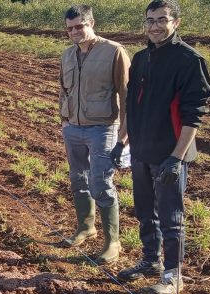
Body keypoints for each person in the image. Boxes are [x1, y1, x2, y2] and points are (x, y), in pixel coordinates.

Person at [115, 0, 210, 294]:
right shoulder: (142, 58)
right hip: (142, 150)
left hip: (170, 154)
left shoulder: (189, 60)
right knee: (145, 211)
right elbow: (132, 103)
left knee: (171, 217)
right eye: (150, 20)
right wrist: (123, 141)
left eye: (162, 20)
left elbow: (194, 113)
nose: (155, 26)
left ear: (176, 23)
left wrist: (176, 158)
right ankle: (149, 260)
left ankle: (173, 275)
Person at [58, 4, 130, 264]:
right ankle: (86, 227)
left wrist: (124, 134)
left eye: (80, 26)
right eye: (70, 28)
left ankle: (113, 242)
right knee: (78, 178)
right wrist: (64, 121)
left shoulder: (114, 51)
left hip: (103, 128)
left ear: (92, 23)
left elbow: (127, 94)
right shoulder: (67, 55)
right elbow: (63, 91)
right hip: (73, 128)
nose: (75, 31)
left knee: (100, 181)